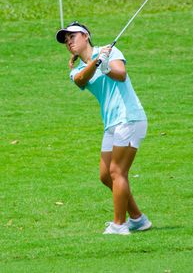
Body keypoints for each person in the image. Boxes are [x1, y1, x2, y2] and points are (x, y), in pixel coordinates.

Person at [56, 21, 152, 235]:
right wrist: (97, 62)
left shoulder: (110, 50)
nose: (69, 42)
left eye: (72, 36)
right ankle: (137, 219)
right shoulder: (77, 70)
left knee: (117, 172)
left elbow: (121, 74)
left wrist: (105, 64)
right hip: (112, 123)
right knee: (105, 176)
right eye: (66, 40)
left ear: (86, 35)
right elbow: (82, 78)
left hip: (129, 118)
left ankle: (119, 225)